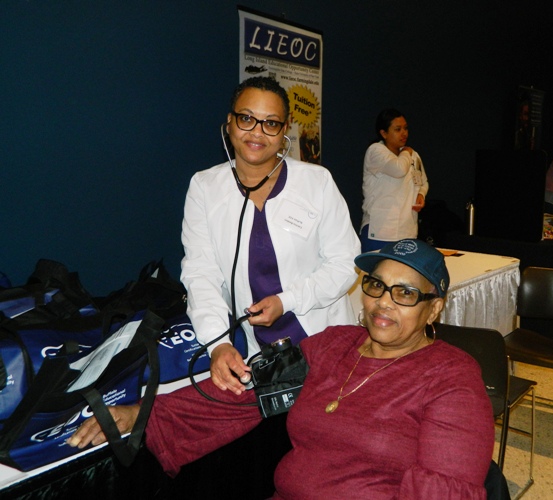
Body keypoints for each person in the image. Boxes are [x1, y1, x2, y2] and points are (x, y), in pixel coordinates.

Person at [67, 75, 360, 458]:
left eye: (271, 123)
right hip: (264, 354)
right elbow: (201, 274)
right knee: (285, 449)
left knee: (338, 448)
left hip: (329, 342)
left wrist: (287, 300)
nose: (257, 132)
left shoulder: (316, 182)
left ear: (285, 130)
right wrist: (218, 344)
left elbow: (345, 264)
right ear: (229, 122)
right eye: (247, 118)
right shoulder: (206, 188)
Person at [69, 239, 495, 498]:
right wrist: (143, 412)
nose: (384, 302)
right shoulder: (333, 345)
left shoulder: (452, 378)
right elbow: (245, 392)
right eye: (376, 285)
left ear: (433, 308)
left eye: (405, 293)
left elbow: (445, 489)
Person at [360, 109, 429, 252]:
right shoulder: (375, 151)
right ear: (384, 133)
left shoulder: (413, 155)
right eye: (398, 129)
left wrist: (421, 194)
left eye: (405, 128)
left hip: (407, 231)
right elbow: (399, 169)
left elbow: (423, 182)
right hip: (380, 231)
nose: (404, 133)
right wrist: (406, 152)